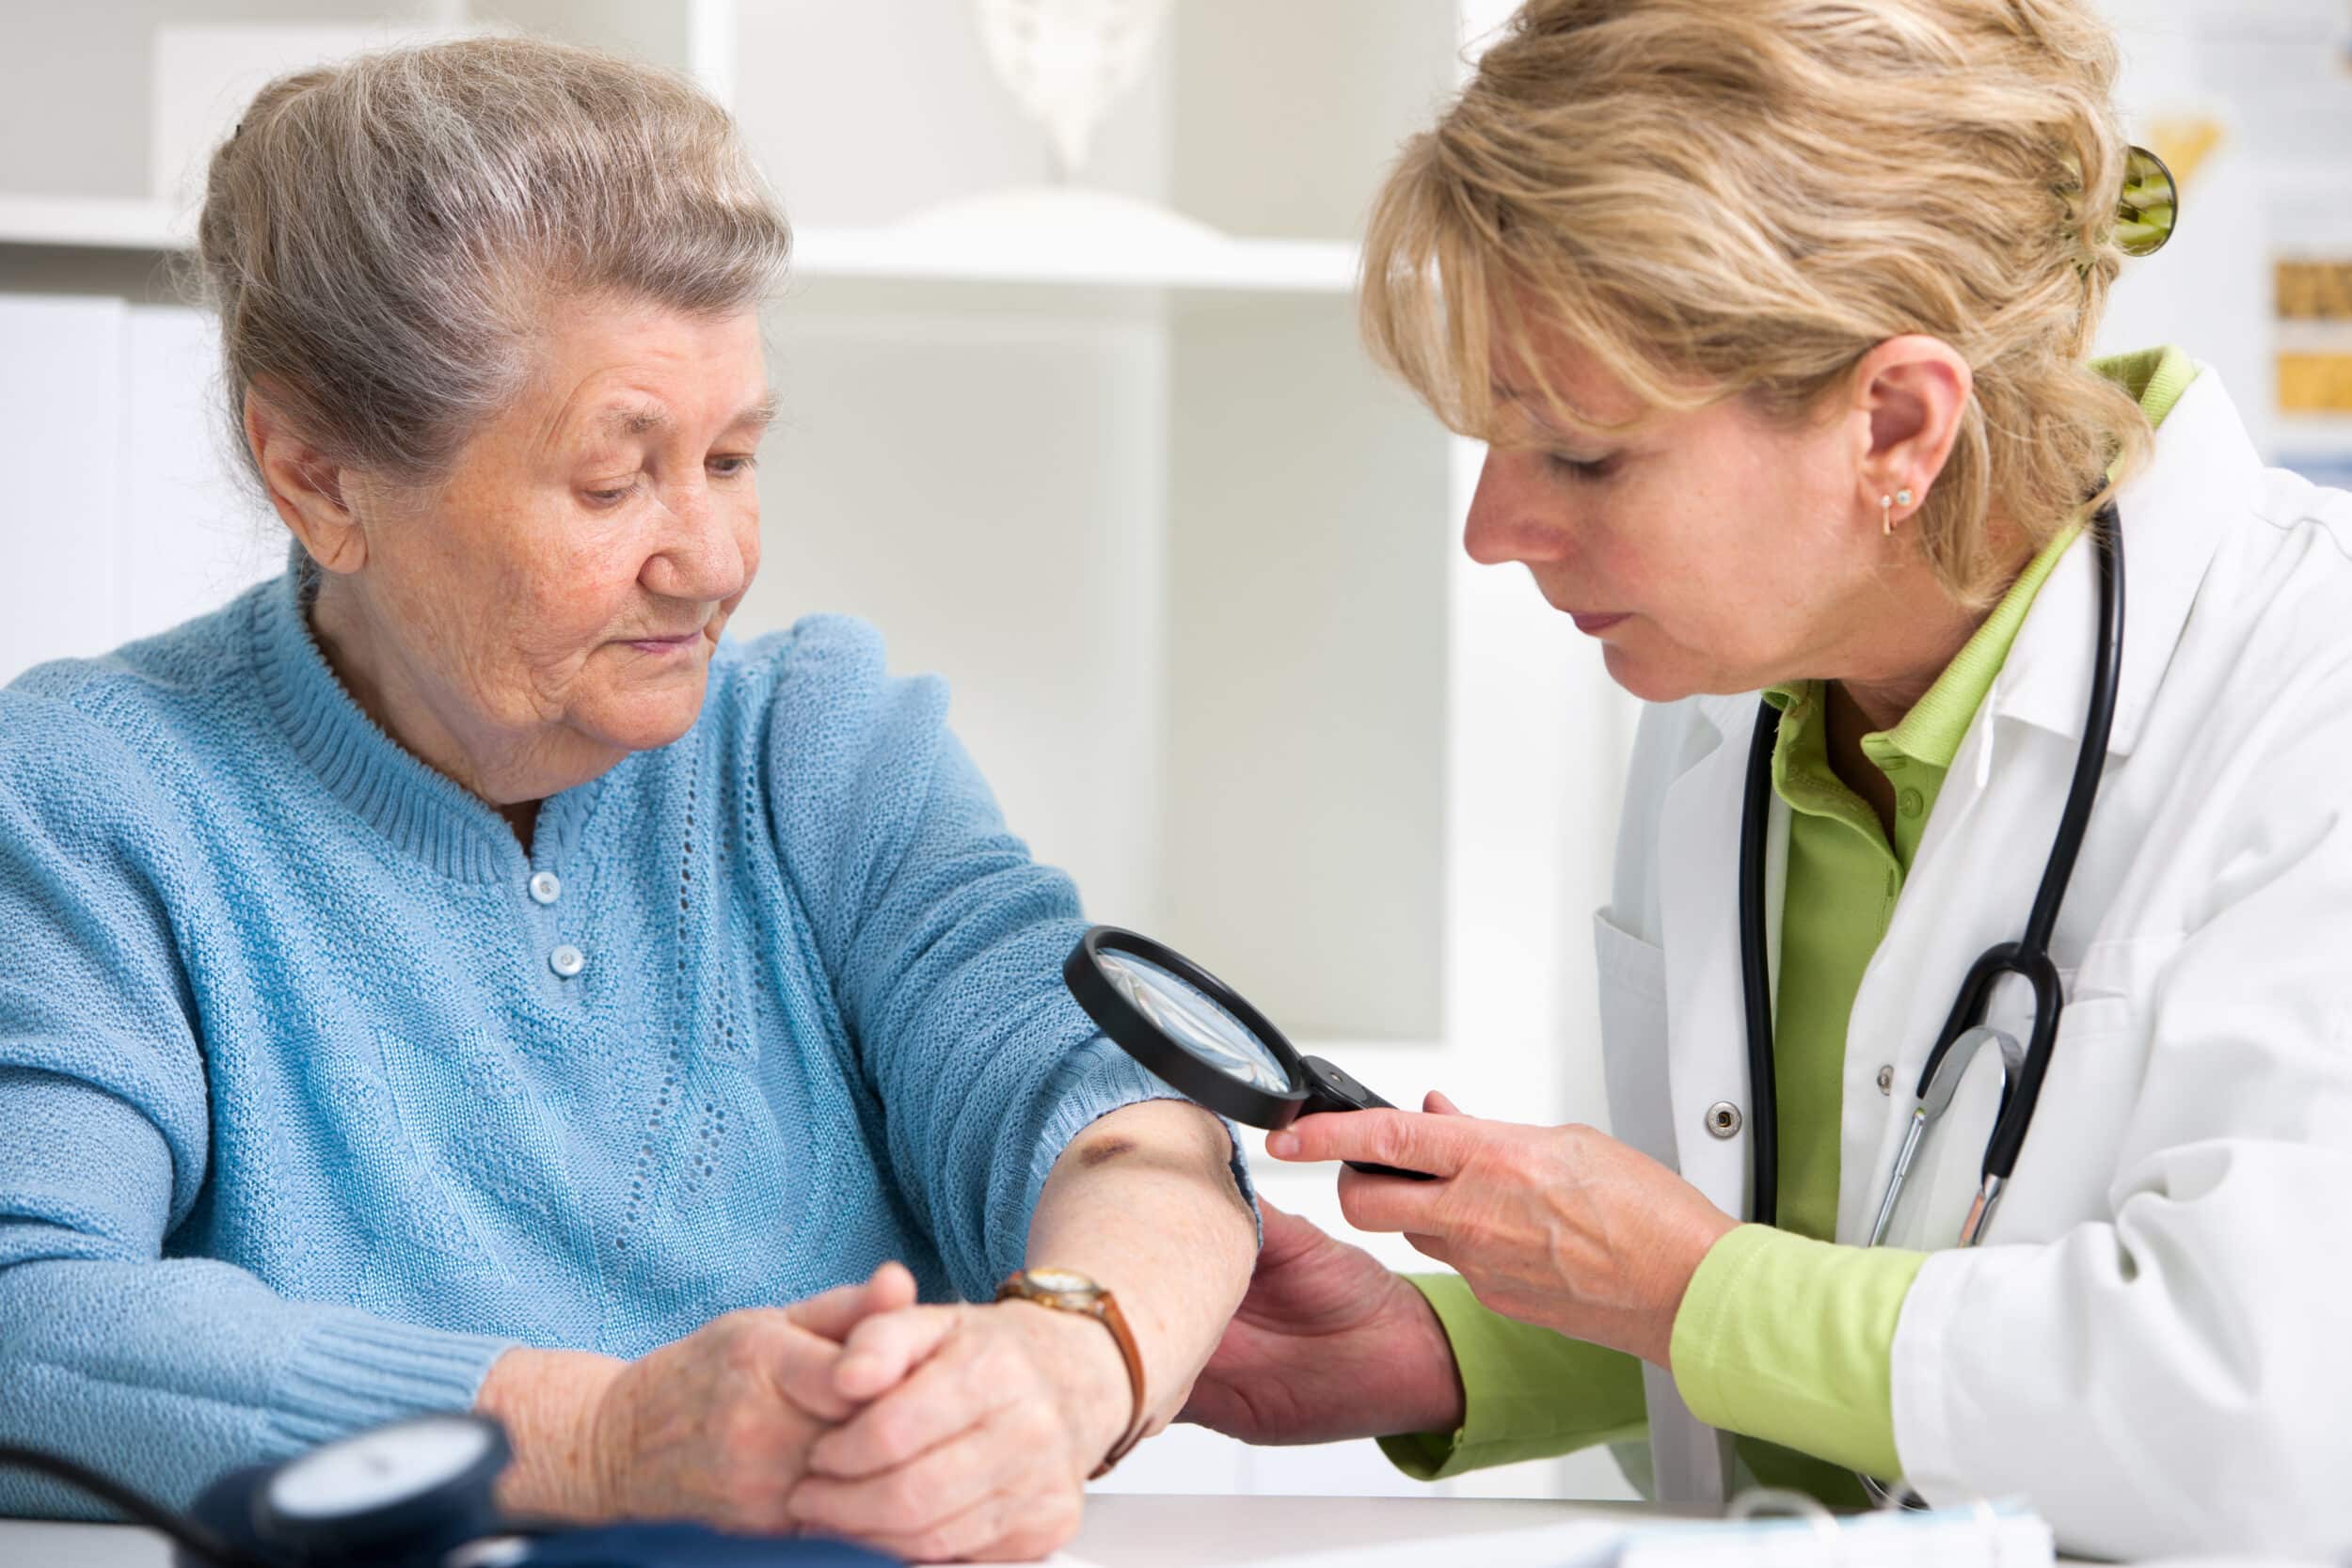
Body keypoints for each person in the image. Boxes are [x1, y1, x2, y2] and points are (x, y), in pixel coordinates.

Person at [0, 38, 1257, 1562]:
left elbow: (1123, 1129)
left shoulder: (818, 740)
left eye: (732, 457)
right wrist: (595, 1440)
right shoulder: (93, 794)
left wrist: (1057, 1371)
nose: (715, 557)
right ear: (318, 475)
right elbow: (28, 1311)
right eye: (616, 482)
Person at [1180, 0, 2352, 1558]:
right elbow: (1843, 1253)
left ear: (1896, 422)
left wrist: (1680, 1288)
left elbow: (2256, 1407)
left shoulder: (2304, 703)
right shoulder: (1738, 686)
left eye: (1582, 457)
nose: (1491, 530)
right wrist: (1450, 1353)